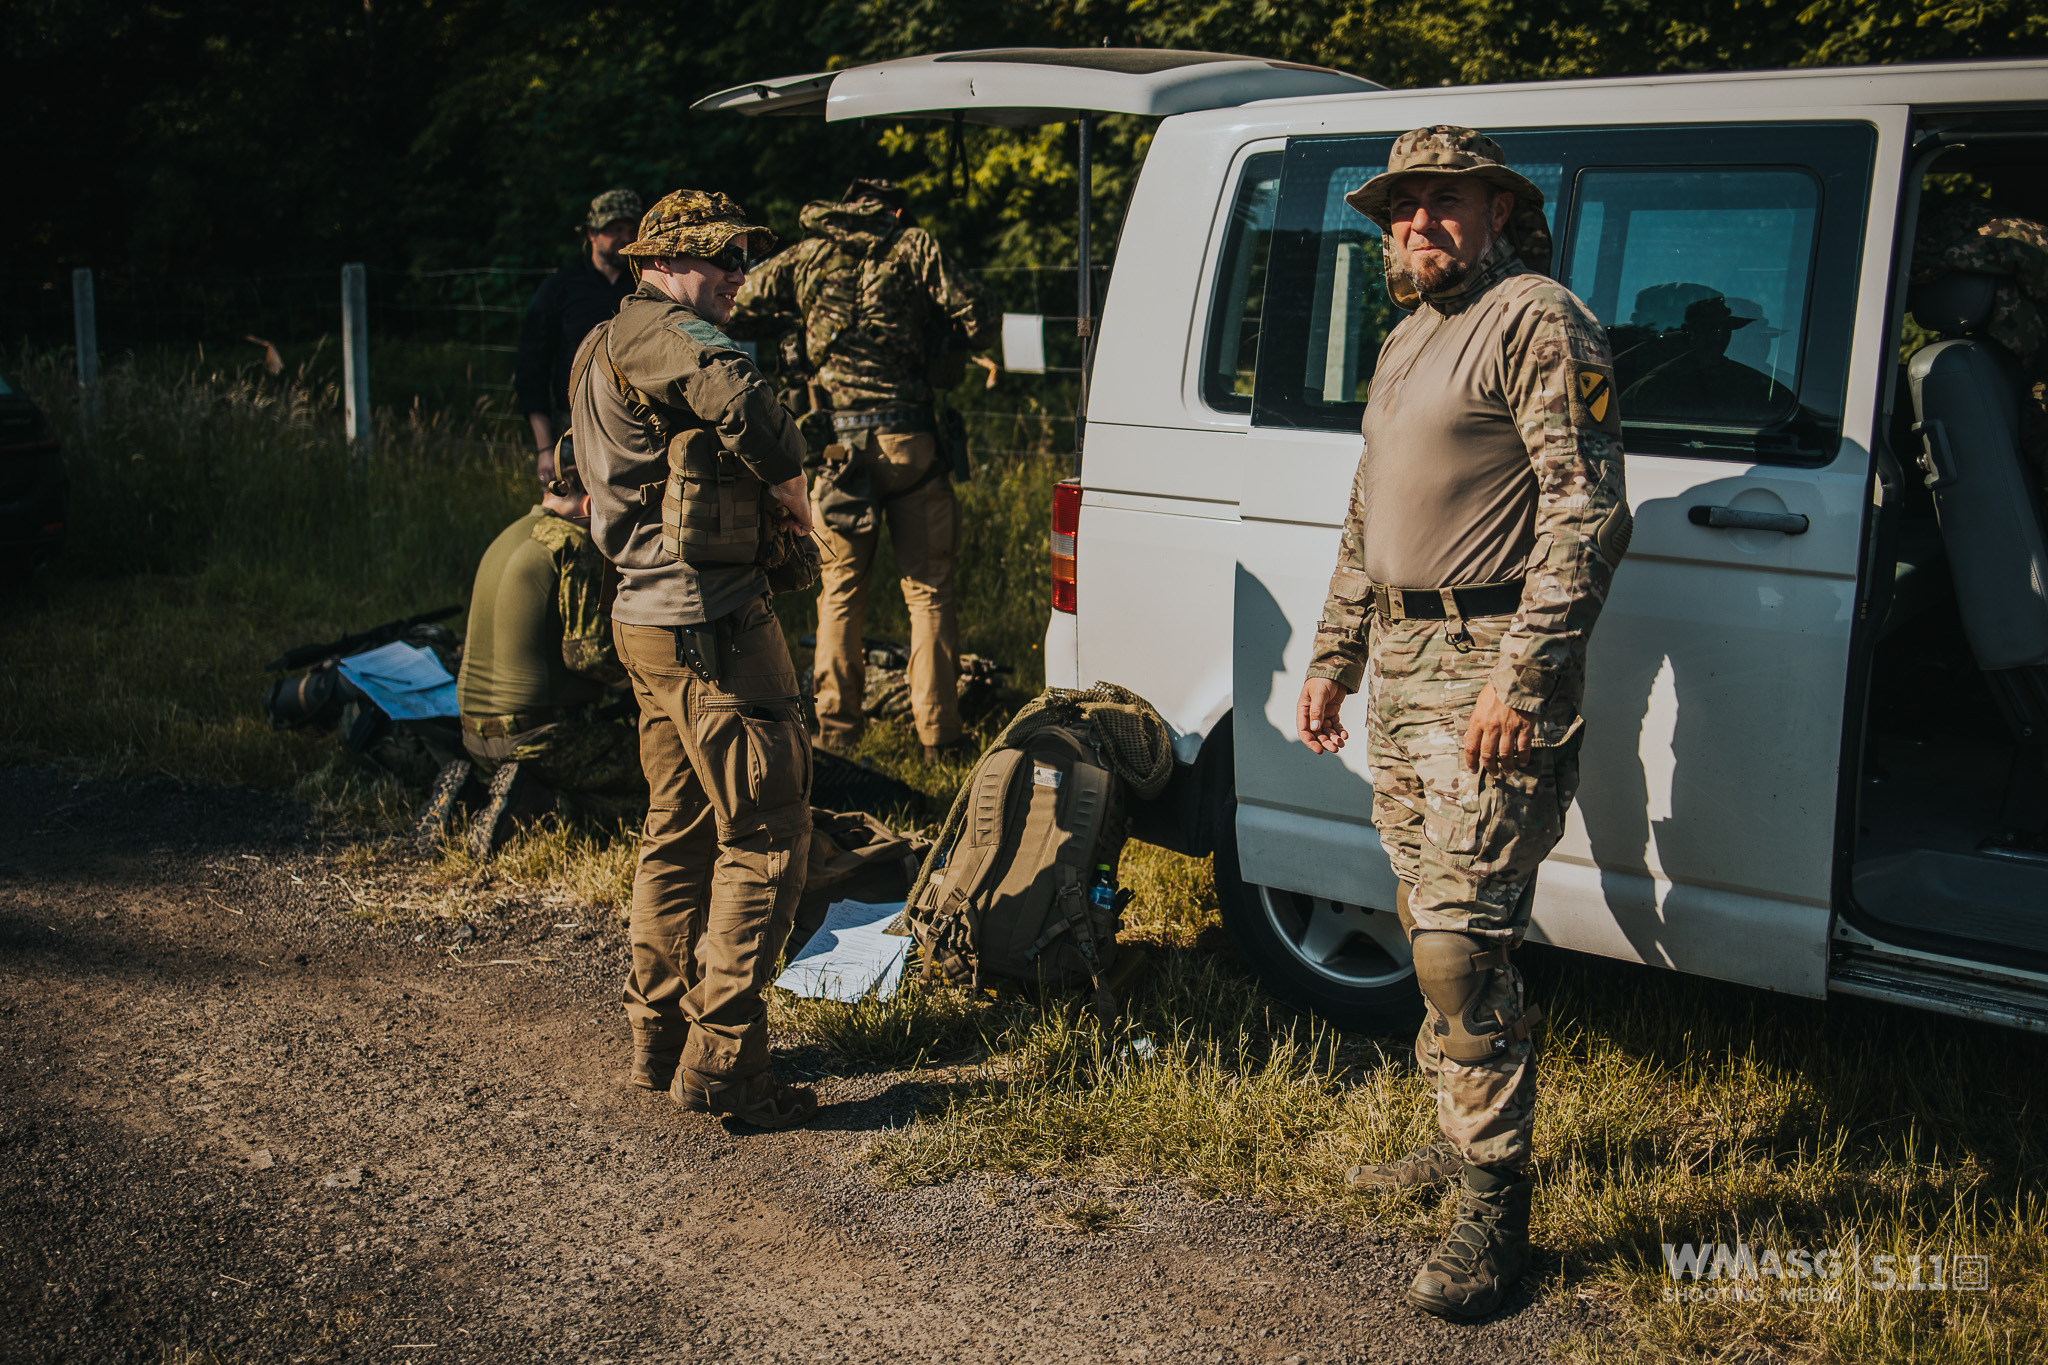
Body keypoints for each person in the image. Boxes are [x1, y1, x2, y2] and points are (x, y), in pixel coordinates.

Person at [1294, 127, 1630, 1322]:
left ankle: (1494, 1208)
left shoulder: (1537, 317)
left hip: (1492, 673)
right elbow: (1362, 515)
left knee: (1453, 946)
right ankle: (1462, 1142)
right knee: (1422, 915)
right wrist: (1332, 656)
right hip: (1402, 663)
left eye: (1444, 202)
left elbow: (1586, 510)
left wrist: (1524, 681)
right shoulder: (1402, 337)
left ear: (1494, 211)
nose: (1418, 223)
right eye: (1401, 207)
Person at [569, 188, 820, 1129]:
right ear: (663, 261)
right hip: (708, 627)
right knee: (768, 829)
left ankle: (660, 1036)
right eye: (721, 261)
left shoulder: (599, 346)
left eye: (741, 261)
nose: (737, 278)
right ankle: (725, 1063)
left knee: (676, 826)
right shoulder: (658, 333)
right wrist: (795, 495)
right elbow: (742, 398)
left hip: (647, 622)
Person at [726, 178, 999, 761]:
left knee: (838, 592)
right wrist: (958, 339)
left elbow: (737, 304)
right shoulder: (913, 245)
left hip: (834, 448)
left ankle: (836, 732)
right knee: (928, 594)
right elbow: (979, 308)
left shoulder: (807, 254)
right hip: (911, 442)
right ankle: (939, 735)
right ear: (894, 208)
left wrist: (795, 324)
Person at [454, 432, 645, 855]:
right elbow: (588, 655)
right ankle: (544, 808)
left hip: (471, 733)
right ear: (593, 495)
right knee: (664, 774)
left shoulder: (509, 535)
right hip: (541, 739)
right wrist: (650, 675)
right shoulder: (573, 545)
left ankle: (478, 796)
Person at [515, 188, 642, 483]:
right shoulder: (560, 288)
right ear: (591, 234)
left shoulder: (645, 286)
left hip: (638, 426)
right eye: (614, 229)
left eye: (630, 229)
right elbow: (531, 368)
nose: (624, 237)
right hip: (572, 428)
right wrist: (546, 448)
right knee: (575, 517)